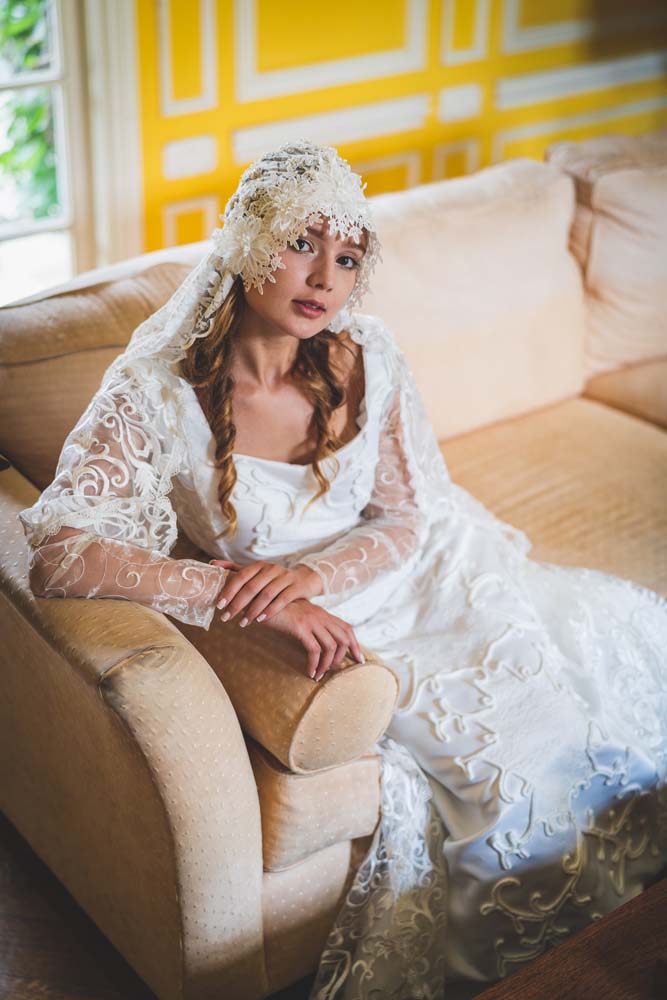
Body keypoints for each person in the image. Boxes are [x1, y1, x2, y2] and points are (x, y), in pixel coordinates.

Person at [18, 140, 667, 1000]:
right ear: (248, 241)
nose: (325, 276)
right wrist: (245, 595)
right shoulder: (155, 390)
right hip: (342, 627)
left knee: (587, 739)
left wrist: (310, 579)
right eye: (301, 243)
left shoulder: (367, 353)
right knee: (509, 791)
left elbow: (405, 516)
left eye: (348, 257)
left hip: (431, 573)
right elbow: (59, 552)